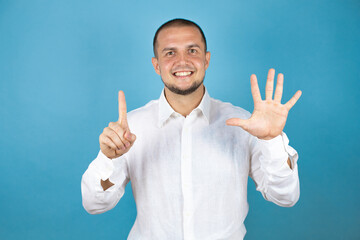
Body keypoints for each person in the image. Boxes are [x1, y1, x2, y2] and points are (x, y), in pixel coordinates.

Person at [81, 18, 302, 240]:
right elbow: (94, 204)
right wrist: (107, 160)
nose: (182, 61)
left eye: (192, 50)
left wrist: (272, 141)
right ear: (156, 65)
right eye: (170, 53)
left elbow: (285, 196)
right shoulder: (132, 128)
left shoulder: (245, 125)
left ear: (206, 60)